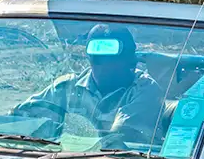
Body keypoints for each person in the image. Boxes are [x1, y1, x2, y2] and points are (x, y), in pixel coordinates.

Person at [16, 22, 166, 145]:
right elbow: (17, 118)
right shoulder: (66, 88)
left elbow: (118, 139)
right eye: (98, 62)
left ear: (131, 61)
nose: (103, 69)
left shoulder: (146, 90)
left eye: (113, 63)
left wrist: (65, 132)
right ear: (90, 60)